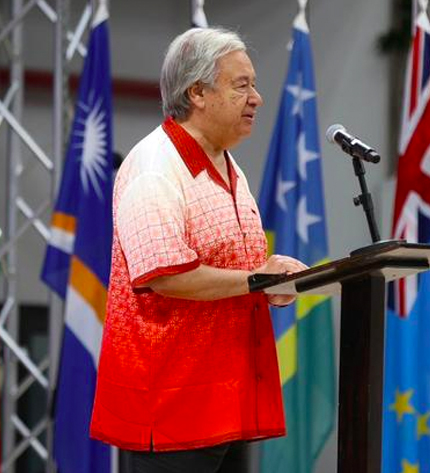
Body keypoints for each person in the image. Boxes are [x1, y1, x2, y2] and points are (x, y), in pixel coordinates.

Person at [90, 27, 307, 473]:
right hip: (172, 407)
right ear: (198, 93)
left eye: (254, 84)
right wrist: (257, 280)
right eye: (241, 85)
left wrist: (271, 275)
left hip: (228, 399)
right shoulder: (154, 167)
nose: (257, 98)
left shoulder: (229, 165)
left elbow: (236, 267)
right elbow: (166, 275)